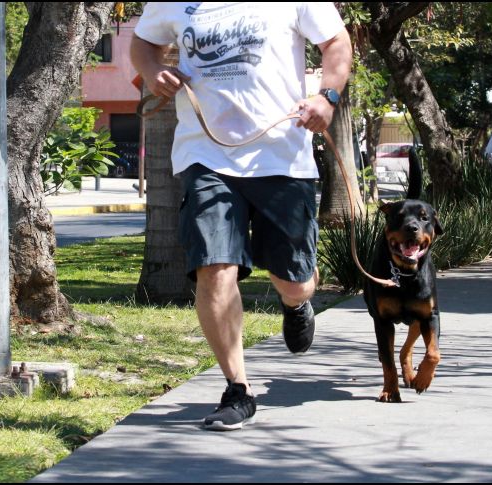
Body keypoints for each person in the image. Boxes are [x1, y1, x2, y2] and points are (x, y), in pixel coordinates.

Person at [130, 3, 352, 431]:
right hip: (204, 154)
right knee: (214, 268)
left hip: (282, 156)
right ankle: (238, 388)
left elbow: (336, 41)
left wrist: (327, 97)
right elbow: (142, 43)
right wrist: (153, 70)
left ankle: (296, 302)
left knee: (294, 281)